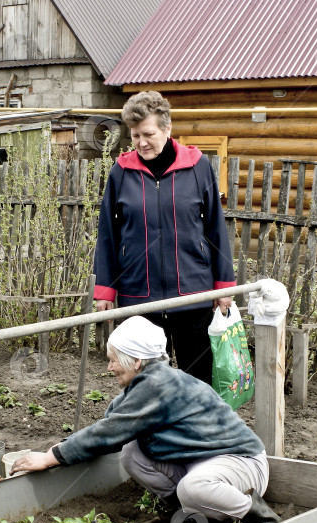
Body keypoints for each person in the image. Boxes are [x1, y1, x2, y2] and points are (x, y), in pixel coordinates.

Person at [11, 316, 280, 523]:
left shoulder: (157, 386)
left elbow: (108, 433)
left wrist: (49, 458)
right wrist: (62, 449)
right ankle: (191, 509)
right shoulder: (145, 383)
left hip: (242, 463)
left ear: (137, 360)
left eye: (113, 359)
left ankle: (260, 517)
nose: (109, 367)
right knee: (132, 454)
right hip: (201, 463)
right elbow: (109, 423)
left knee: (192, 488)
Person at [93, 90, 236, 385]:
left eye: (147, 133)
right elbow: (107, 232)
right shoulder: (121, 172)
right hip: (138, 294)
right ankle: (148, 429)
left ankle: (195, 429)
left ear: (167, 128)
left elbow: (215, 228)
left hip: (193, 294)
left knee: (196, 379)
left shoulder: (198, 168)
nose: (141, 142)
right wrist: (105, 290)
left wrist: (224, 285)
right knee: (142, 380)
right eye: (134, 136)